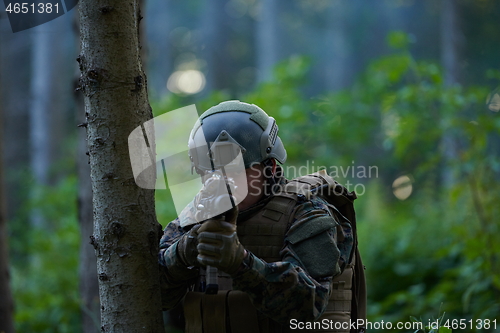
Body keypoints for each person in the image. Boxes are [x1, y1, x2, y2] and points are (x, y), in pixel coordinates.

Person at [158, 100, 366, 333]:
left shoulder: (307, 213)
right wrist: (184, 253)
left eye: (234, 171)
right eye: (208, 172)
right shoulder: (195, 217)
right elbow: (150, 296)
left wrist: (241, 264)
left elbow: (307, 306)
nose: (219, 181)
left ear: (271, 169)